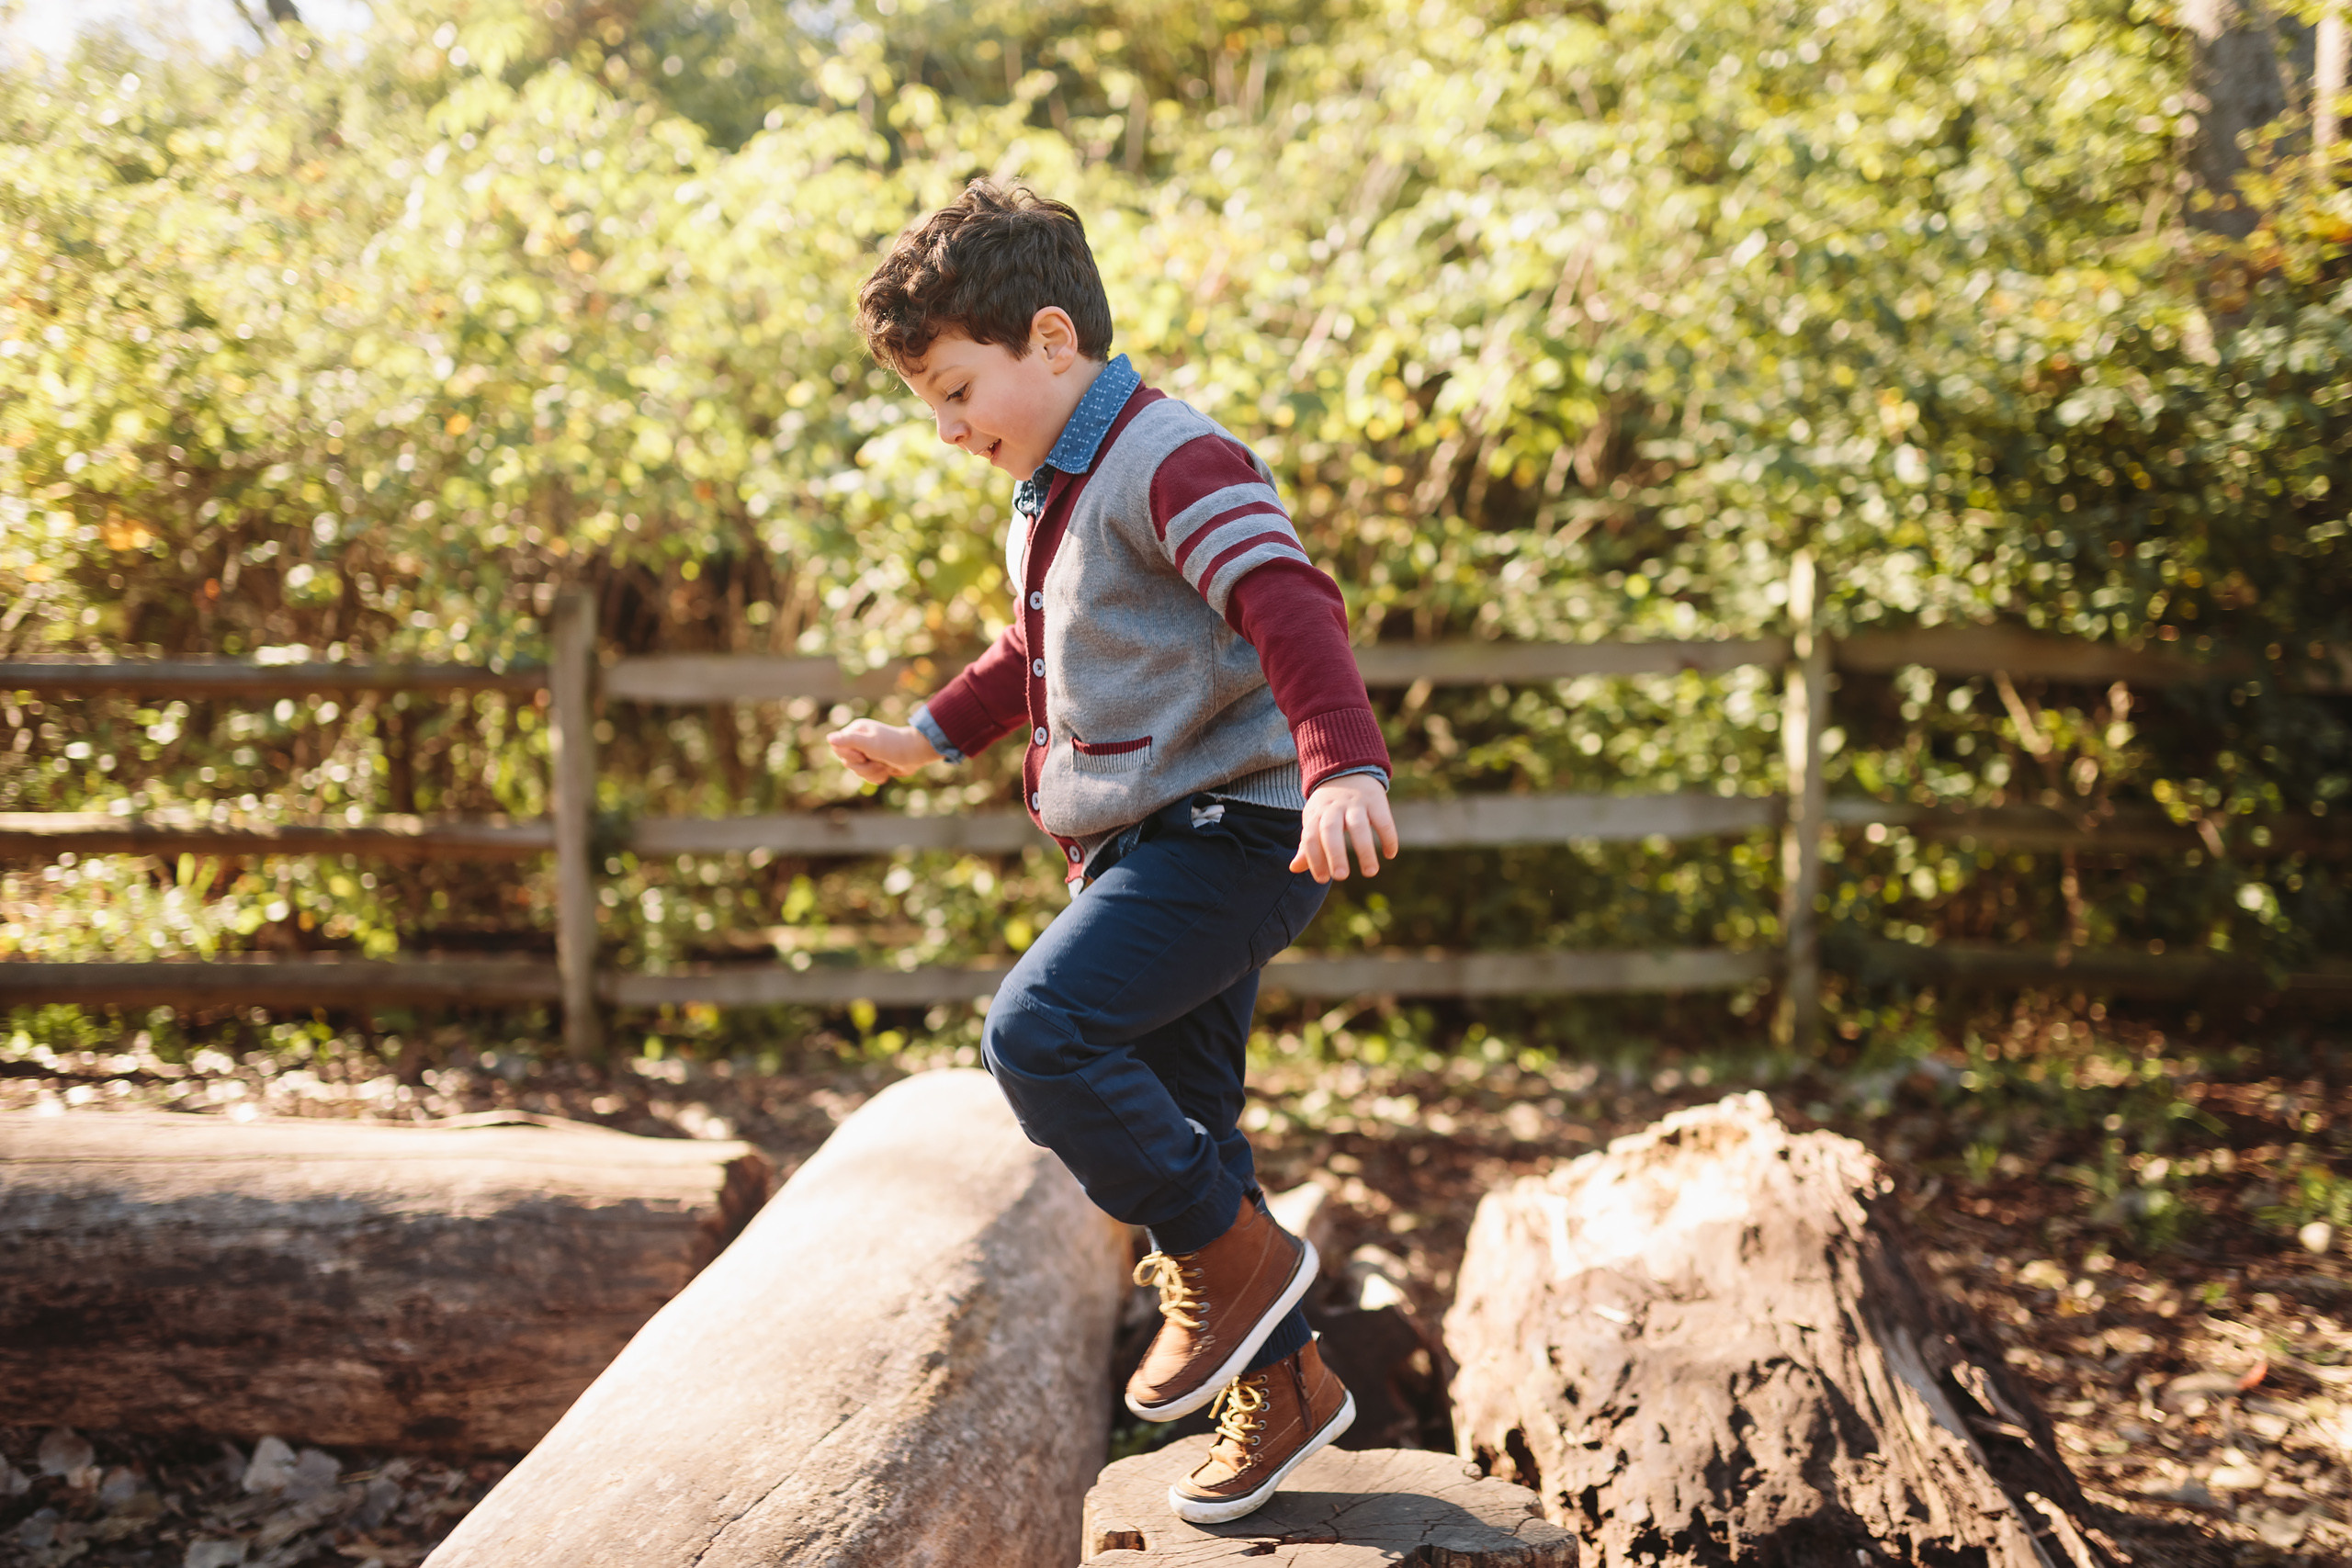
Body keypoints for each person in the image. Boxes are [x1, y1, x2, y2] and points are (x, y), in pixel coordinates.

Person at [827, 179, 1398, 1525]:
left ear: (1049, 341)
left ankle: (1237, 1268)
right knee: (1188, 1126)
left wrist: (1344, 764)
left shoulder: (1169, 457)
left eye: (959, 391)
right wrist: (927, 735)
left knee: (1041, 1034)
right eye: (933, 407)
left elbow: (1287, 601)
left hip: (1233, 835)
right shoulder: (1055, 489)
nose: (952, 428)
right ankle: (1291, 1386)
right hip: (1150, 846)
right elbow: (1038, 654)